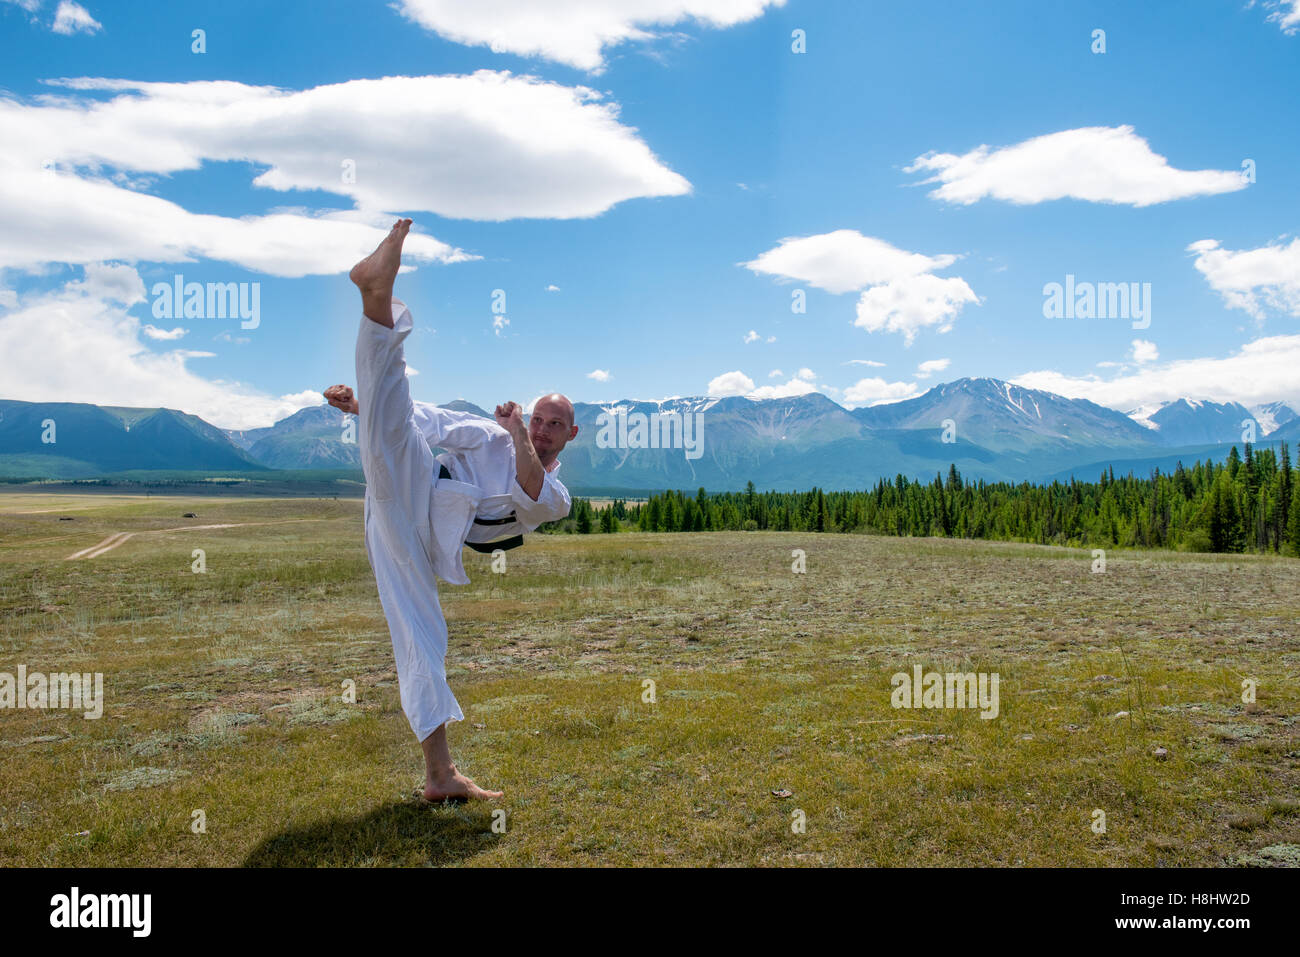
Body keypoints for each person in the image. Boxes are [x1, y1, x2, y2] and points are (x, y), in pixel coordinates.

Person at [329, 218, 577, 802]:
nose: (540, 431)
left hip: (424, 542)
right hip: (416, 487)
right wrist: (363, 407)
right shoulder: (487, 434)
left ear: (571, 434)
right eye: (536, 421)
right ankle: (378, 301)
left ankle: (440, 776)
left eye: (552, 426)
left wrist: (514, 433)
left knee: (424, 638)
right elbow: (425, 419)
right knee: (398, 425)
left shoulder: (555, 494)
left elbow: (531, 492)